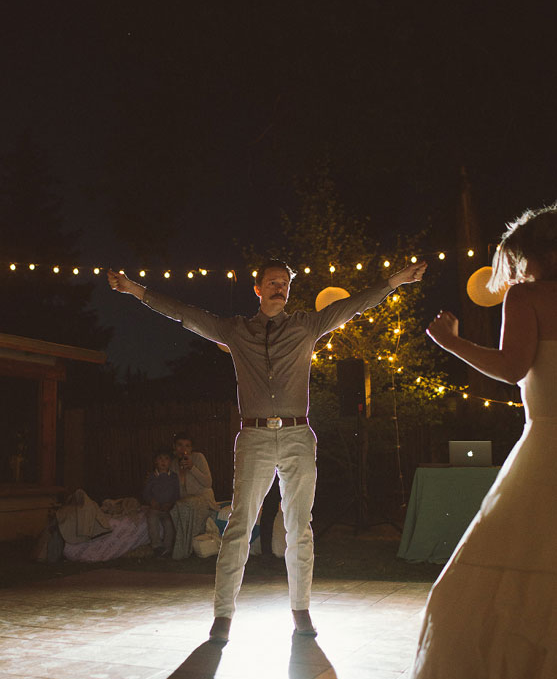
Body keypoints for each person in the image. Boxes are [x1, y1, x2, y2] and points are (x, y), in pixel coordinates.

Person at [108, 256, 426, 643]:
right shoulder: (236, 331)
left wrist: (393, 281)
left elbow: (353, 304)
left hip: (297, 435)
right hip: (255, 437)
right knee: (240, 525)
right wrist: (136, 290)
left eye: (284, 283)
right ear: (257, 289)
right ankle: (223, 615)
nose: (279, 288)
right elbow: (184, 314)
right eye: (272, 282)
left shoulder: (307, 325)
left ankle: (301, 610)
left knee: (299, 526)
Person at [400, 202, 557, 679]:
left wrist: (452, 341)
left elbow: (512, 367)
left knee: (475, 595)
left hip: (546, 450)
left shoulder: (529, 296)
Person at [169, 432, 218, 560]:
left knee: (188, 505)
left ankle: (183, 551)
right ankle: (183, 548)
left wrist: (192, 468)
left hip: (203, 499)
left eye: (187, 446)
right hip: (184, 501)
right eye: (180, 445)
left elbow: (208, 483)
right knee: (176, 508)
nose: (183, 449)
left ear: (191, 448)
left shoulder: (198, 458)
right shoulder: (173, 464)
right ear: (174, 447)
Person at [142, 449, 180, 556]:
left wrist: (171, 504)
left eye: (166, 459)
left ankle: (167, 548)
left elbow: (176, 494)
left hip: (167, 508)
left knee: (169, 524)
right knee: (152, 520)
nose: (163, 462)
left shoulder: (173, 477)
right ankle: (157, 546)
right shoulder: (152, 476)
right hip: (155, 507)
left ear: (170, 462)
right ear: (156, 462)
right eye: (160, 459)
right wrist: (151, 501)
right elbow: (146, 493)